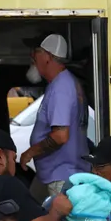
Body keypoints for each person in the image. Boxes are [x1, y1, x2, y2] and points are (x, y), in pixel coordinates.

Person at [19, 34, 89, 202]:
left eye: (36, 52)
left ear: (48, 56)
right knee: (32, 213)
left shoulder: (61, 88)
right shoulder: (62, 83)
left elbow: (60, 136)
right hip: (53, 173)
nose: (32, 56)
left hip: (62, 176)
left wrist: (29, 153)